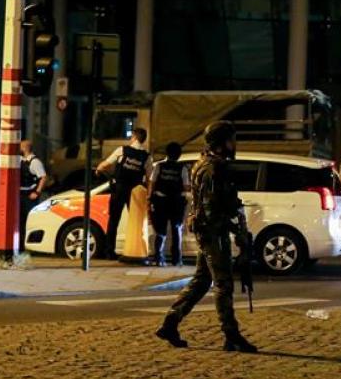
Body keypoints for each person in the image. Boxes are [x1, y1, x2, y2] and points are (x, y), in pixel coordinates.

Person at [155, 121, 257, 353]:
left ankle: (170, 323)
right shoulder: (216, 168)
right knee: (223, 283)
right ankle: (231, 334)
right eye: (231, 140)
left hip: (207, 230)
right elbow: (215, 206)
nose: (234, 144)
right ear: (221, 143)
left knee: (202, 281)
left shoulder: (202, 164)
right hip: (213, 232)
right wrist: (236, 231)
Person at [96, 128, 151, 260]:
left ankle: (110, 251)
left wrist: (98, 169)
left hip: (119, 189)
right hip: (135, 193)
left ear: (134, 138)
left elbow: (104, 165)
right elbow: (149, 178)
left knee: (114, 220)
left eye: (132, 136)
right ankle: (135, 250)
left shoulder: (122, 150)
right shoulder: (147, 156)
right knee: (135, 222)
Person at [0, 140, 48, 252]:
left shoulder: (35, 162)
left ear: (25, 148)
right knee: (19, 221)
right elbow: (7, 156)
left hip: (29, 196)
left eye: (20, 146)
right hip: (21, 194)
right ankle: (20, 246)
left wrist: (37, 192)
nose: (18, 148)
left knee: (27, 221)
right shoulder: (21, 159)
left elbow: (43, 177)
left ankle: (26, 246)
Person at [148, 142, 190, 267]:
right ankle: (176, 260)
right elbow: (186, 186)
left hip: (161, 201)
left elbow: (152, 182)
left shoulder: (159, 166)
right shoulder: (182, 168)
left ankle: (159, 258)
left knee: (160, 231)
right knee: (176, 230)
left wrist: (149, 198)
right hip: (176, 202)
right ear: (179, 155)